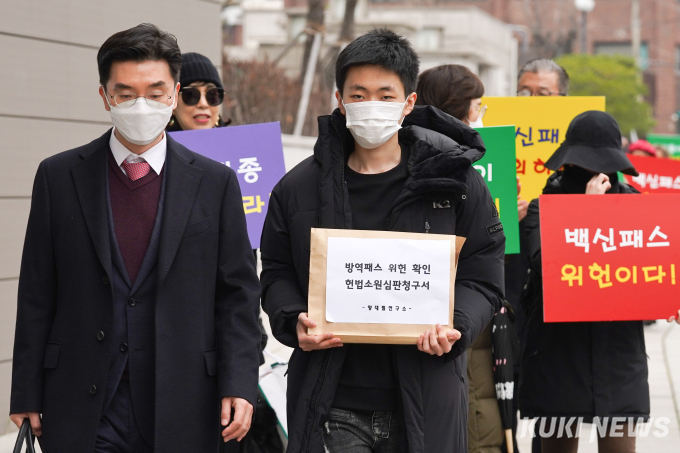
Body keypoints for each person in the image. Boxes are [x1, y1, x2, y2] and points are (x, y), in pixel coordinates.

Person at [9, 24, 262, 452]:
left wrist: (240, 382)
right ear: (105, 95)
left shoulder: (216, 182)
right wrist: (26, 389)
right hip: (82, 399)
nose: (140, 104)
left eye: (156, 91)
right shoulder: (58, 175)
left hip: (184, 401)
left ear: (174, 92)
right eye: (125, 93)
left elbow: (237, 293)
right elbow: (37, 291)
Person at [260, 29, 505, 453]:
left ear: (409, 102)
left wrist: (457, 325)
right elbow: (277, 271)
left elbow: (483, 273)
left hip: (427, 396)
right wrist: (293, 317)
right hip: (333, 402)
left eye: (385, 95)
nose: (371, 105)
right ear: (339, 99)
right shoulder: (297, 189)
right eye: (358, 94)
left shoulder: (455, 183)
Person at [518, 111, 649, 453]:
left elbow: (650, 272)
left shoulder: (637, 206)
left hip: (619, 353)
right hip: (559, 352)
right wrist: (589, 214)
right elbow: (547, 266)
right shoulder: (542, 207)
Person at [416, 64, 505, 453]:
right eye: (478, 105)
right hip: (449, 321)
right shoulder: (460, 166)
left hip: (458, 315)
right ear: (462, 109)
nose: (481, 114)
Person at [166, 52, 230, 131]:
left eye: (212, 95)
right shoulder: (154, 142)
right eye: (191, 95)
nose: (203, 104)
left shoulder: (237, 142)